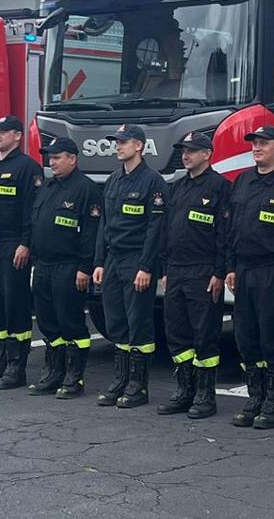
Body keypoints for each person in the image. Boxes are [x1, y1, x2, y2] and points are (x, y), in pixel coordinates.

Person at [223, 123, 274, 429]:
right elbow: (232, 230)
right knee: (247, 338)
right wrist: (230, 267)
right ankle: (254, 398)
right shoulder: (242, 181)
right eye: (254, 143)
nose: (256, 148)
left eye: (264, 143)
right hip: (245, 271)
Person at [157, 130, 230, 419]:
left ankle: (205, 395)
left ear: (207, 154)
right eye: (183, 151)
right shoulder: (176, 187)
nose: (185, 155)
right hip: (176, 271)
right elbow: (167, 232)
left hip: (203, 271)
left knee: (205, 336)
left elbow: (225, 234)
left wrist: (219, 272)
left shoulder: (220, 187)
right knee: (177, 334)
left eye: (191, 150)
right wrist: (165, 270)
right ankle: (184, 389)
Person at [94, 124, 167, 409]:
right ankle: (121, 380)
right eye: (116, 142)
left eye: (123, 142)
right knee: (116, 322)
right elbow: (104, 224)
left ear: (139, 146)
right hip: (113, 260)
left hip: (137, 260)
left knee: (139, 323)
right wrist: (99, 261)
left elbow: (155, 228)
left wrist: (147, 267)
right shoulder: (113, 180)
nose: (117, 146)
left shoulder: (152, 181)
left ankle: (138, 385)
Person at [27, 134, 102, 399]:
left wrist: (84, 267)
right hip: (44, 265)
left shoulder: (86, 189)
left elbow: (91, 233)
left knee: (70, 321)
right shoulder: (47, 187)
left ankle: (74, 377)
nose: (52, 162)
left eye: (57, 157)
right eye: (50, 157)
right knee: (47, 322)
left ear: (73, 159)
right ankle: (53, 372)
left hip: (69, 266)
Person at [0, 115, 43, 389]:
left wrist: (26, 243)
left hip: (13, 245)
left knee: (14, 304)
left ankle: (17, 366)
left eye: (3, 131)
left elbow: (31, 210)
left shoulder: (27, 168)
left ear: (17, 136)